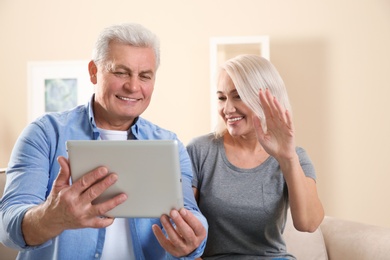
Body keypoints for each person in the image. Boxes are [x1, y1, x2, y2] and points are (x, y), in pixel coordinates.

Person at [0, 23, 208, 259]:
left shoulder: (170, 145)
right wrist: (51, 217)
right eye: (121, 72)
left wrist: (195, 240)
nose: (133, 86)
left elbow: (190, 212)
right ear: (93, 71)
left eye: (145, 76)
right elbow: (7, 227)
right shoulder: (44, 133)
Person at [187, 54, 324, 259]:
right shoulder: (200, 151)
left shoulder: (294, 157)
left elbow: (309, 223)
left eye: (238, 96)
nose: (228, 109)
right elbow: (183, 226)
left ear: (267, 98)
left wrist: (287, 158)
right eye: (222, 97)